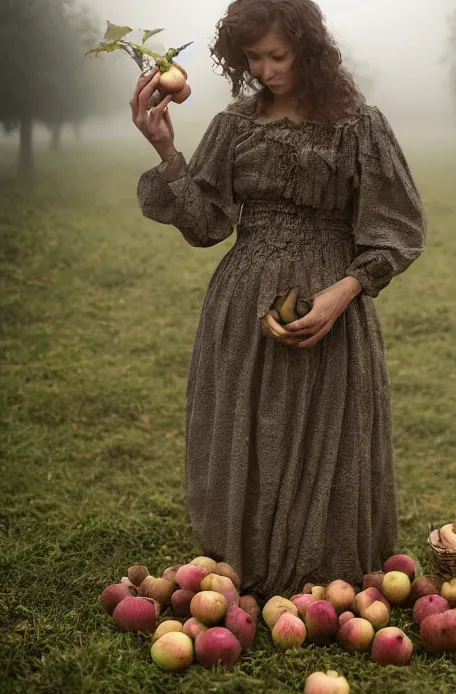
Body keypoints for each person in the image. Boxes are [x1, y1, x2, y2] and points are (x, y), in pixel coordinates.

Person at [130, 0, 427, 603]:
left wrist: (344, 292)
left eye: (277, 55)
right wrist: (165, 151)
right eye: (253, 58)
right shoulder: (235, 125)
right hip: (243, 303)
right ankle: (243, 565)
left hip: (331, 303)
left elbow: (397, 228)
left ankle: (326, 572)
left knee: (325, 430)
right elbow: (209, 223)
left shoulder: (359, 125)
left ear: (307, 50)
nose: (264, 70)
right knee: (251, 431)